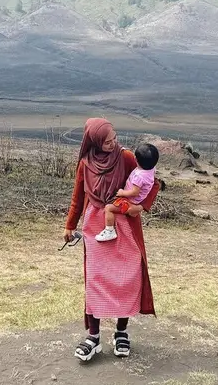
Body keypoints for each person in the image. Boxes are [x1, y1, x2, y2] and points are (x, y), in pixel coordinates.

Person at [64, 118, 158, 362]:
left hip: (124, 223)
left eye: (114, 138)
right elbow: (77, 197)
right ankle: (93, 337)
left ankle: (121, 332)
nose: (113, 144)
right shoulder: (85, 164)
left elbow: (151, 181)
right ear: (94, 141)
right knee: (95, 280)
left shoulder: (126, 158)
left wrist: (142, 206)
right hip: (95, 228)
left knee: (126, 279)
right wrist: (69, 225)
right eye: (107, 142)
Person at [96, 143, 160, 242]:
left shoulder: (139, 176)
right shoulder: (150, 169)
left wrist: (122, 193)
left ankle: (109, 230)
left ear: (136, 160)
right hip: (135, 201)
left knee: (109, 208)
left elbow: (135, 192)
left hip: (130, 202)